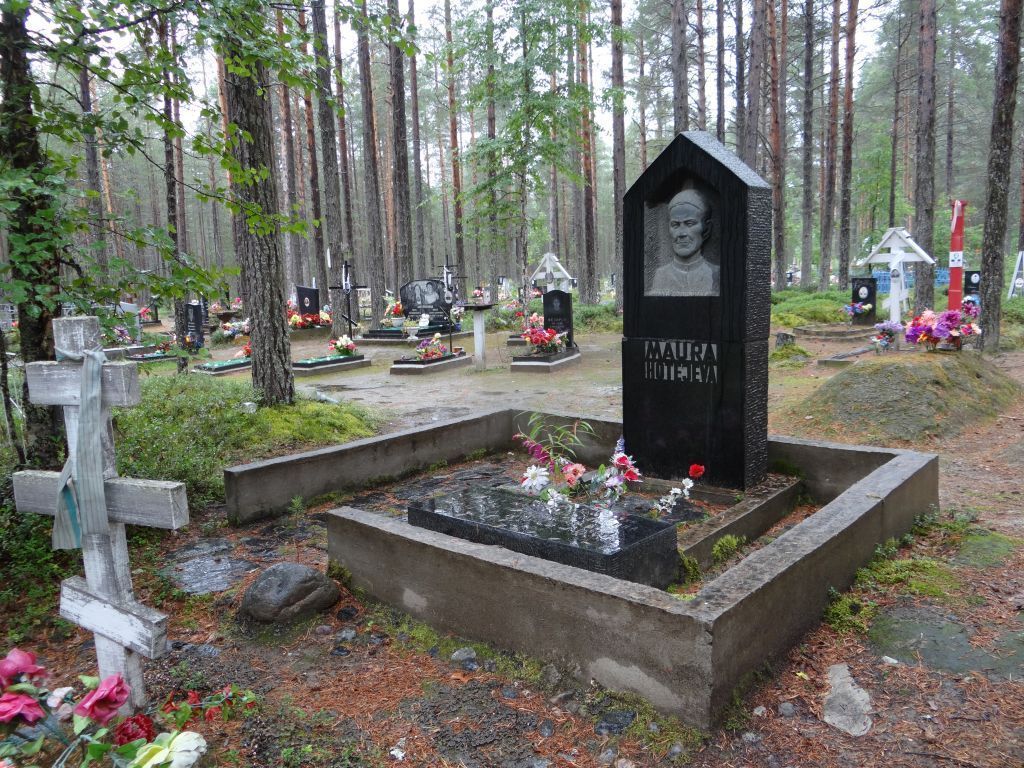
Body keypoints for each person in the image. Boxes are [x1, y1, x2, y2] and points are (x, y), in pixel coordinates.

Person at [647, 188, 719, 297]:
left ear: (707, 229)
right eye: (675, 225)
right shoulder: (660, 276)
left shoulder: (717, 274)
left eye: (689, 224)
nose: (681, 233)